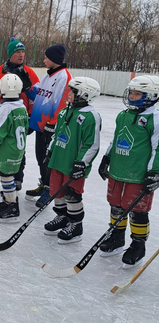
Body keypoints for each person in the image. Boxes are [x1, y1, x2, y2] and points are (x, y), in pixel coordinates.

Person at [98, 75, 159, 268]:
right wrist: (107, 157)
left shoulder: (155, 119)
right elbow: (116, 138)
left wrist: (154, 172)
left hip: (138, 174)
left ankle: (138, 245)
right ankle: (117, 237)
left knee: (137, 211)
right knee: (116, 205)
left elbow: (158, 148)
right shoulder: (124, 115)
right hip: (118, 170)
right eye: (131, 93)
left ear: (152, 95)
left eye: (137, 94)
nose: (132, 97)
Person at [43, 77, 101, 243]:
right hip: (58, 160)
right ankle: (62, 217)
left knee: (72, 195)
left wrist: (81, 163)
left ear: (85, 94)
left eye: (73, 92)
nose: (68, 94)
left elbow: (92, 144)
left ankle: (76, 225)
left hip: (73, 164)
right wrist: (50, 152)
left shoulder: (91, 116)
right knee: (57, 192)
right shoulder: (64, 111)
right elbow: (56, 134)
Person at [25, 44, 72, 207]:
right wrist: (26, 86)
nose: (44, 60)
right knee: (40, 158)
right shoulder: (47, 76)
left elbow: (62, 103)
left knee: (47, 160)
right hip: (39, 124)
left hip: (50, 128)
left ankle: (49, 189)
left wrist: (52, 125)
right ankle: (43, 184)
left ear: (54, 59)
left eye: (46, 57)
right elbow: (37, 95)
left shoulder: (64, 77)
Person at [0, 39, 39, 191]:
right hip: (0, 116)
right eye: (18, 52)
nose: (21, 55)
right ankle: (2, 178)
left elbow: (36, 98)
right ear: (10, 53)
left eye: (23, 52)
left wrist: (30, 118)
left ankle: (17, 178)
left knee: (18, 150)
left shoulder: (29, 73)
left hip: (19, 118)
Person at [0, 74, 29, 222]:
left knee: (5, 176)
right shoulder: (21, 107)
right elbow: (25, 126)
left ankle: (12, 206)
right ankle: (8, 201)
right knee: (9, 175)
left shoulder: (5, 108)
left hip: (7, 148)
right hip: (18, 148)